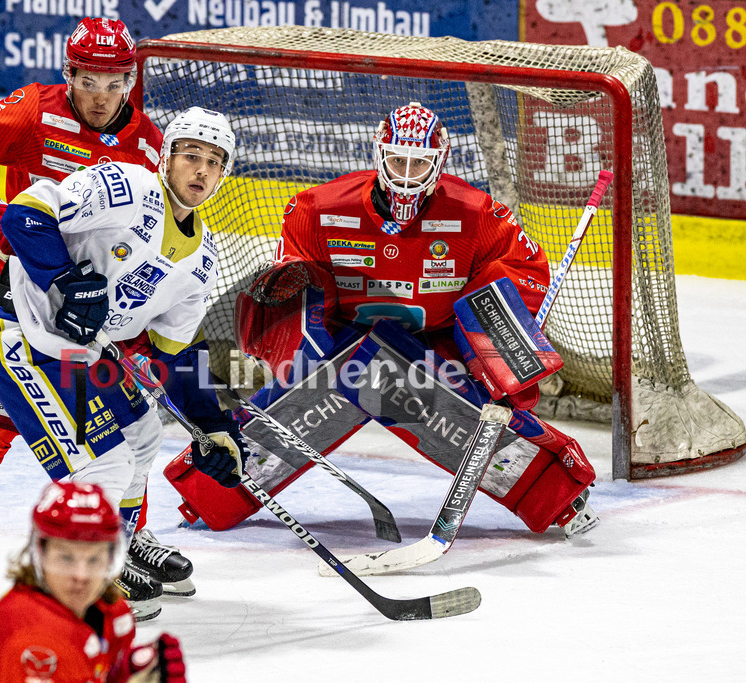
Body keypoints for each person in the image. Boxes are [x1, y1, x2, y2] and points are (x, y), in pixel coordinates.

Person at [165, 102, 599, 541]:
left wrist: (497, 354)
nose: (407, 174)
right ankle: (206, 492)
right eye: (397, 160)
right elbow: (293, 289)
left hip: (441, 343)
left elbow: (524, 271)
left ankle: (561, 495)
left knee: (473, 410)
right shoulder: (318, 208)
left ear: (439, 163)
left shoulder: (477, 215)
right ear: (379, 154)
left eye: (419, 163)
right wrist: (298, 354)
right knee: (296, 398)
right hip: (344, 341)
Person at [0, 18, 187, 623]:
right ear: (67, 74)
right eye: (87, 80)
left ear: (132, 80)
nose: (100, 95)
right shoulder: (31, 111)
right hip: (12, 309)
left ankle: (123, 548)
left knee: (125, 440)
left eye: (115, 81)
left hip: (94, 323)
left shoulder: (151, 145)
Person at [0, 106, 249, 621]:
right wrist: (65, 279)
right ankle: (74, 582)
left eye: (213, 161)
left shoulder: (202, 258)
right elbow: (24, 214)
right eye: (190, 155)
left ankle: (111, 554)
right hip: (21, 334)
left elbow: (174, 353)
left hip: (82, 356)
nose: (201, 170)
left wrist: (213, 426)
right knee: (107, 463)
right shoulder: (130, 186)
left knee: (142, 434)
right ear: (166, 157)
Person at [0, 480, 186, 682]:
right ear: (40, 555)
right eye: (66, 558)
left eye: (94, 560)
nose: (81, 576)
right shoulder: (30, 641)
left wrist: (127, 669)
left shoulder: (114, 615)